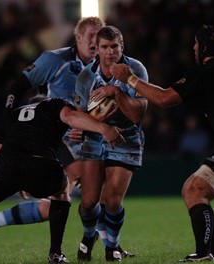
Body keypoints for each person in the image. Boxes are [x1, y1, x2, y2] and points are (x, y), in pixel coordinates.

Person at [0, 17, 134, 262]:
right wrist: (3, 136)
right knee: (93, 195)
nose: (94, 41)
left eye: (98, 37)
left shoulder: (106, 69)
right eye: (89, 35)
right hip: (59, 139)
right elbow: (17, 87)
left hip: (86, 138)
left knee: (57, 205)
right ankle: (106, 247)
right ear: (78, 38)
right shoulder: (55, 60)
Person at [111, 24, 214, 262]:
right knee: (191, 188)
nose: (193, 48)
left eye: (196, 43)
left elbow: (163, 99)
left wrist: (129, 78)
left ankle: (205, 254)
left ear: (203, 47)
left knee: (195, 191)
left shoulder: (206, 71)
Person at [0, 87, 124, 264]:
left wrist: (16, 180)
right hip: (39, 163)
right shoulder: (55, 105)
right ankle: (55, 253)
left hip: (4, 166)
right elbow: (71, 117)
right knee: (62, 189)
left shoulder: (13, 115)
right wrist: (103, 127)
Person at [75, 25, 148, 262]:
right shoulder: (86, 76)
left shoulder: (135, 69)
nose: (110, 52)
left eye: (114, 46)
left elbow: (138, 114)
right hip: (95, 138)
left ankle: (112, 247)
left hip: (126, 137)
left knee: (113, 199)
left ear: (122, 46)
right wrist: (95, 125)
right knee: (88, 202)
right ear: (97, 49)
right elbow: (80, 114)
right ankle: (88, 237)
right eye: (105, 47)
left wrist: (116, 92)